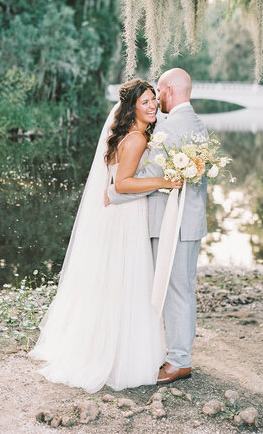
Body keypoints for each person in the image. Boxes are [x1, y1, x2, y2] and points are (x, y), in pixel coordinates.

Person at [28, 78, 181, 392]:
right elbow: (122, 184)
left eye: (154, 99)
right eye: (145, 102)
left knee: (112, 281)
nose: (152, 106)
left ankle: (106, 348)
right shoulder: (136, 138)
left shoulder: (126, 135)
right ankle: (119, 357)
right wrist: (165, 182)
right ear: (132, 108)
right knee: (128, 281)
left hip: (117, 215)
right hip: (127, 217)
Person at [108, 68, 208, 384]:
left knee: (176, 291)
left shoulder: (172, 127)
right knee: (181, 289)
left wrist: (113, 193)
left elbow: (144, 179)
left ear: (167, 90)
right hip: (189, 221)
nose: (156, 102)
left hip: (174, 224)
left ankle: (179, 361)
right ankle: (176, 355)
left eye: (158, 94)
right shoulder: (197, 123)